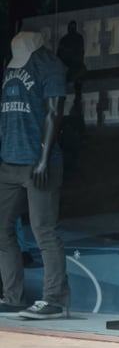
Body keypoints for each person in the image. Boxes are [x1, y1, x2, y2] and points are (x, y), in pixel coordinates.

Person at [0, 31, 70, 318]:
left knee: (44, 230)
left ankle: (55, 300)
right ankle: (13, 296)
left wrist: (43, 159)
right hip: (9, 162)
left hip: (38, 163)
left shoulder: (49, 65)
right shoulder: (11, 66)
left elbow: (54, 113)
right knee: (1, 230)